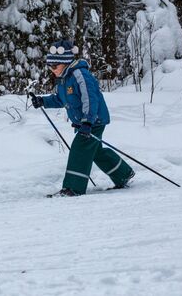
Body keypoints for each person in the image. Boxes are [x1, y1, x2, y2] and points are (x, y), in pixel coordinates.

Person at [31, 40, 135, 197]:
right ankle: (123, 173)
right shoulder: (64, 79)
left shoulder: (80, 75)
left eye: (54, 66)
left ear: (65, 62)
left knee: (80, 149)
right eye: (50, 66)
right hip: (85, 122)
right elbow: (61, 99)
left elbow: (90, 99)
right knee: (95, 151)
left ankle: (73, 188)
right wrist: (43, 101)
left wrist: (87, 121)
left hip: (94, 120)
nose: (52, 70)